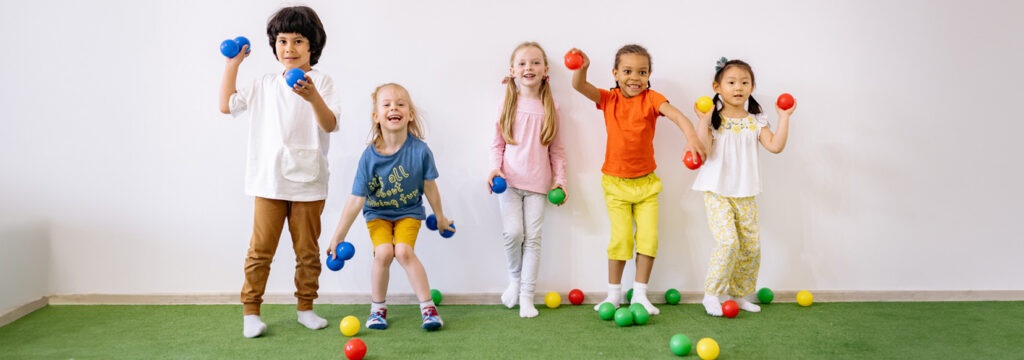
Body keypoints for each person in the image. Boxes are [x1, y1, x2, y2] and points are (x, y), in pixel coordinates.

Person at [218, 5, 340, 338]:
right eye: (283, 41)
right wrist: (233, 64)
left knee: (307, 252)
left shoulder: (322, 83)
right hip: (268, 182)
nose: (289, 48)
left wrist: (312, 96)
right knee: (260, 250)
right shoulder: (262, 84)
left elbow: (330, 124)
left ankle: (305, 308)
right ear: (274, 45)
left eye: (298, 41)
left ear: (312, 46)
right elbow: (226, 104)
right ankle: (250, 313)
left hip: (310, 182)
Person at [569, 45, 705, 315]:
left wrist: (692, 138)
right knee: (620, 240)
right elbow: (579, 86)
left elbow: (677, 115)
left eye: (642, 72)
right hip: (615, 184)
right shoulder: (609, 98)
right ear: (616, 74)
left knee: (649, 239)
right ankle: (613, 295)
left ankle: (640, 295)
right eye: (628, 71)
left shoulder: (652, 99)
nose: (635, 77)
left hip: (646, 185)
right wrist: (581, 68)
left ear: (649, 74)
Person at [328, 83, 452, 331]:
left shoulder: (420, 151)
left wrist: (441, 217)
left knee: (404, 252)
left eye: (400, 104)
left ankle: (428, 309)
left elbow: (430, 188)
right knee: (384, 253)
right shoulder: (369, 156)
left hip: (409, 212)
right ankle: (377, 311)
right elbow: (356, 199)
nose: (393, 107)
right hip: (378, 214)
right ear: (376, 117)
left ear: (410, 114)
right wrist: (337, 236)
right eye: (386, 104)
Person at [691, 58, 794, 316]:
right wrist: (703, 121)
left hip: (745, 192)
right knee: (728, 243)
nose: (738, 87)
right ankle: (711, 294)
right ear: (717, 86)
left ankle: (737, 295)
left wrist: (784, 117)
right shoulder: (714, 119)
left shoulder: (756, 120)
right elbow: (703, 151)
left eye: (745, 82)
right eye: (732, 82)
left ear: (752, 87)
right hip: (717, 191)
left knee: (750, 246)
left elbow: (775, 146)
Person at [488, 42, 568, 318]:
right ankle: (515, 280)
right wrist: (494, 170)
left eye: (535, 63)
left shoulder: (552, 106)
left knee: (533, 238)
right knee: (513, 234)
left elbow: (556, 150)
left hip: (538, 186)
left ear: (546, 70)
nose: (528, 68)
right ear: (512, 71)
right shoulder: (506, 103)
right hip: (508, 183)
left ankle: (526, 296)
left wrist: (561, 181)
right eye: (522, 63)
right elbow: (497, 145)